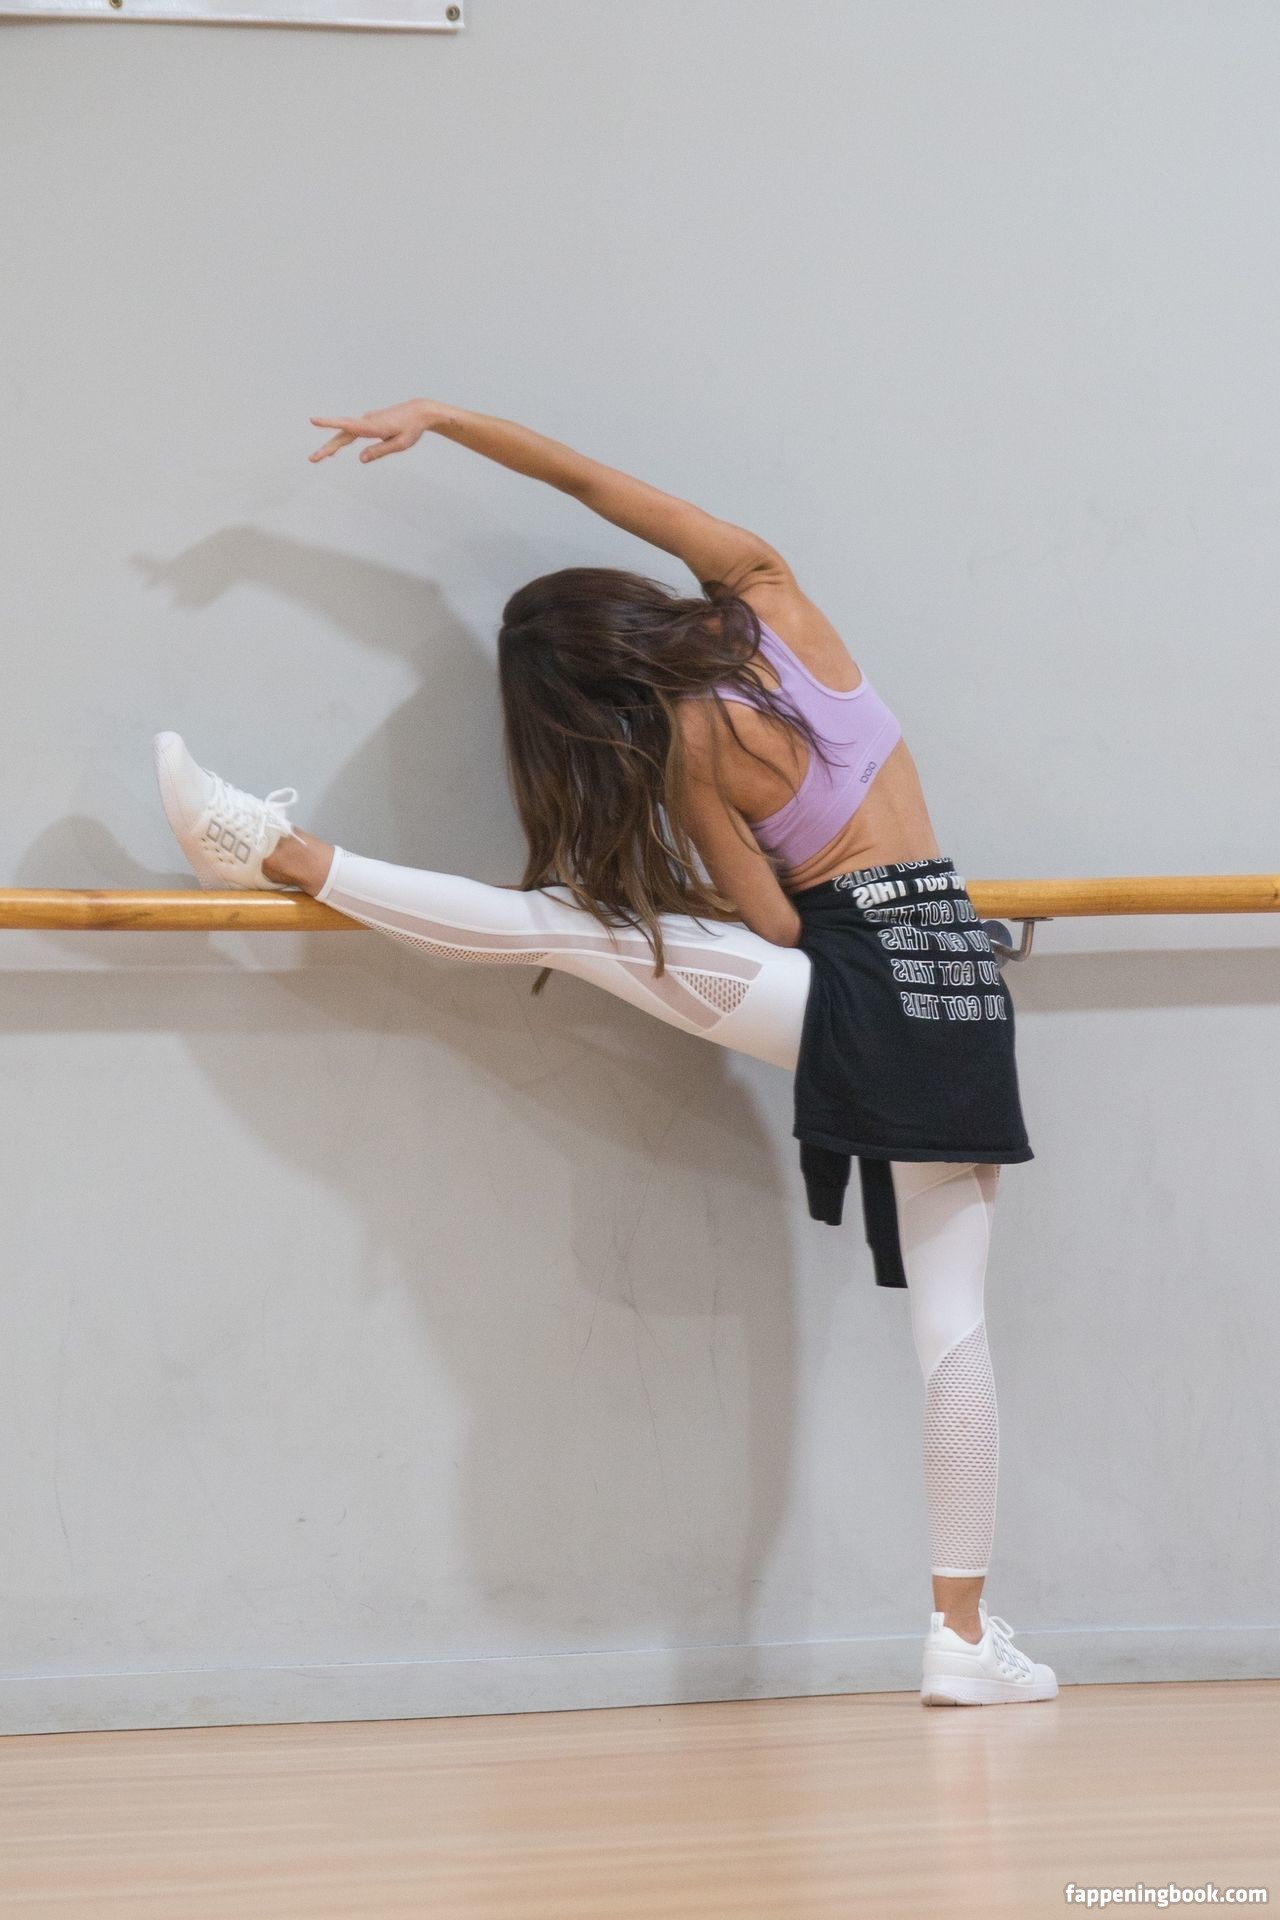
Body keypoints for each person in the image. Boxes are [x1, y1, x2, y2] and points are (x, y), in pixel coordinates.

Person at [153, 397, 1056, 1708]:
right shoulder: (772, 594)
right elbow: (587, 479)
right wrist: (444, 418)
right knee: (954, 1330)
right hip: (961, 981)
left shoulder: (690, 747)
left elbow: (776, 926)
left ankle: (275, 850)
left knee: (569, 930)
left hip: (860, 986)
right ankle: (962, 1639)